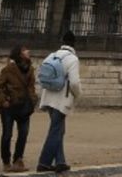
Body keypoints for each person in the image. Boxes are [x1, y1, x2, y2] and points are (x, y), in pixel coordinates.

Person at [37, 31, 82, 174]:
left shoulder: (52, 55)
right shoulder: (73, 59)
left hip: (48, 97)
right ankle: (44, 162)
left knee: (58, 130)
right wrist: (79, 94)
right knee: (56, 131)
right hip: (62, 99)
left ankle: (60, 161)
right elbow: (74, 82)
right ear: (74, 44)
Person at [0, 45, 39, 173]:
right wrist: (3, 101)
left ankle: (18, 159)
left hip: (25, 106)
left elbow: (31, 87)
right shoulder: (9, 69)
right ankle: (6, 161)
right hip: (9, 107)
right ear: (20, 54)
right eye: (25, 50)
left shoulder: (30, 69)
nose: (28, 51)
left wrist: (33, 100)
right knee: (7, 134)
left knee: (23, 134)